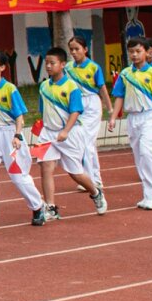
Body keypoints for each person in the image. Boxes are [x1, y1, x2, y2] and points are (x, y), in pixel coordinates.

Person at [0, 50, 46, 230]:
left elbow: (19, 115)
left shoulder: (10, 89)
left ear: (2, 67)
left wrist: (18, 135)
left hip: (10, 133)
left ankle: (38, 206)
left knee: (18, 176)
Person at [35, 47, 107, 218]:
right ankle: (51, 207)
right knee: (45, 167)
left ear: (62, 65)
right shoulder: (44, 86)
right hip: (48, 134)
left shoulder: (71, 87)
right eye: (47, 63)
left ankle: (95, 192)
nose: (49, 66)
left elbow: (75, 111)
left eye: (52, 63)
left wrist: (66, 131)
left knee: (75, 173)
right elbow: (43, 109)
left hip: (70, 134)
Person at [110, 37, 152, 209]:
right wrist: (112, 117)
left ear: (147, 52)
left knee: (147, 152)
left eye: (138, 51)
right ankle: (147, 195)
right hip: (133, 117)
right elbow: (119, 96)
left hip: (151, 115)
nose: (134, 55)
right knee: (140, 156)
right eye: (131, 52)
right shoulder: (125, 74)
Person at [65, 37, 110, 192]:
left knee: (86, 143)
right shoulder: (68, 68)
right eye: (71, 49)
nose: (74, 52)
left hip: (91, 104)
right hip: (76, 105)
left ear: (85, 49)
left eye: (77, 49)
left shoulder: (93, 67)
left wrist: (110, 108)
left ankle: (93, 179)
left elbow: (102, 87)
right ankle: (94, 178)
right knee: (83, 144)